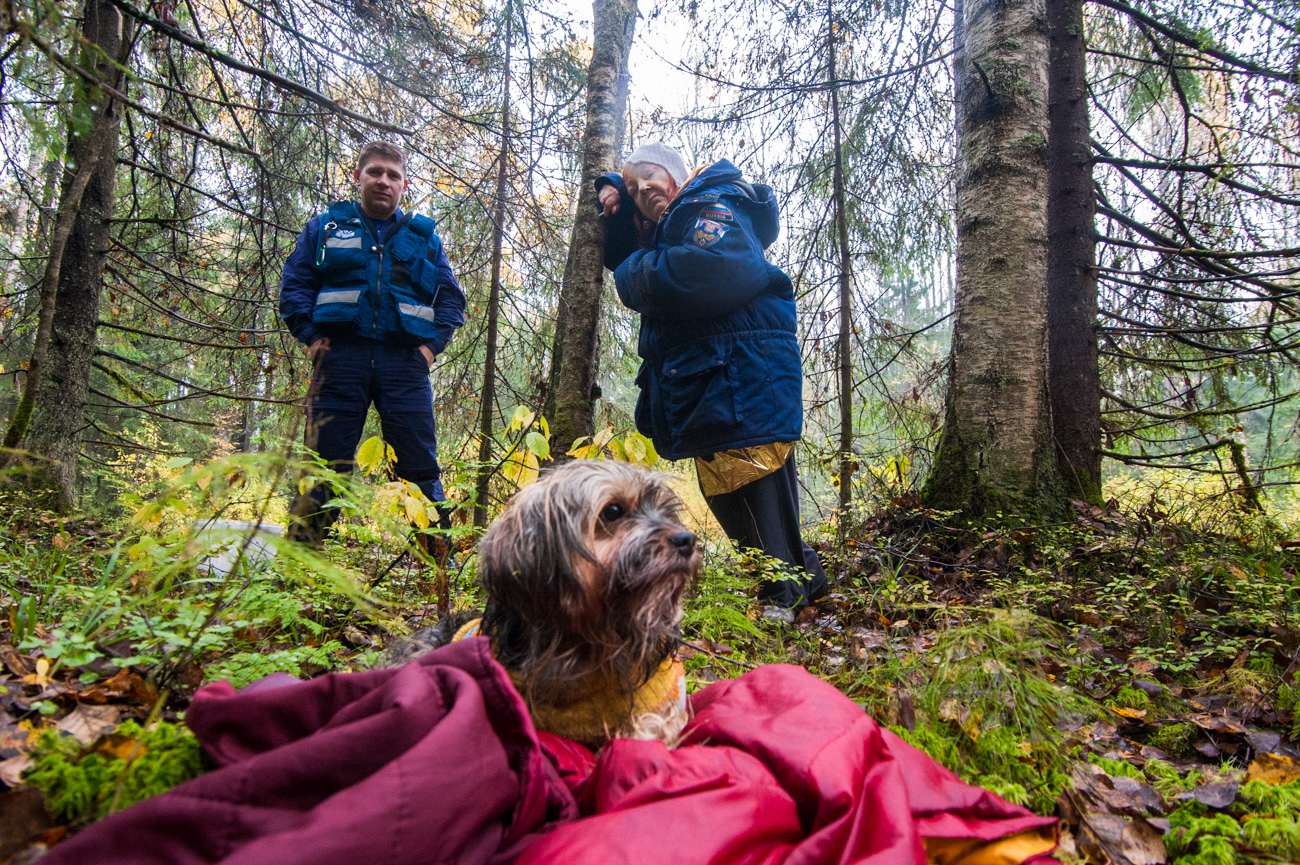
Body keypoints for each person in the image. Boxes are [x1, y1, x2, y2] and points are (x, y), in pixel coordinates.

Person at [596, 142, 827, 610]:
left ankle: (782, 604)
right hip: (721, 385)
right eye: (635, 190)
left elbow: (714, 270)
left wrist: (634, 272)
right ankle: (805, 589)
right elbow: (622, 252)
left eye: (650, 179)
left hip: (742, 382)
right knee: (739, 499)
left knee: (754, 500)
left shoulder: (710, 204)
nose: (644, 192)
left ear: (675, 174)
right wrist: (611, 190)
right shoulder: (675, 224)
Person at [279, 140, 465, 543]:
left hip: (405, 366)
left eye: (393, 175)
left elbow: (450, 300)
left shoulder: (426, 238)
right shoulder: (325, 228)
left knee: (419, 466)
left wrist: (430, 350)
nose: (384, 181)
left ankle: (438, 568)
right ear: (358, 176)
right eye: (375, 172)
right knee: (323, 466)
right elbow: (295, 285)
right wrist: (310, 339)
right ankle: (301, 569)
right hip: (339, 361)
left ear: (405, 185)